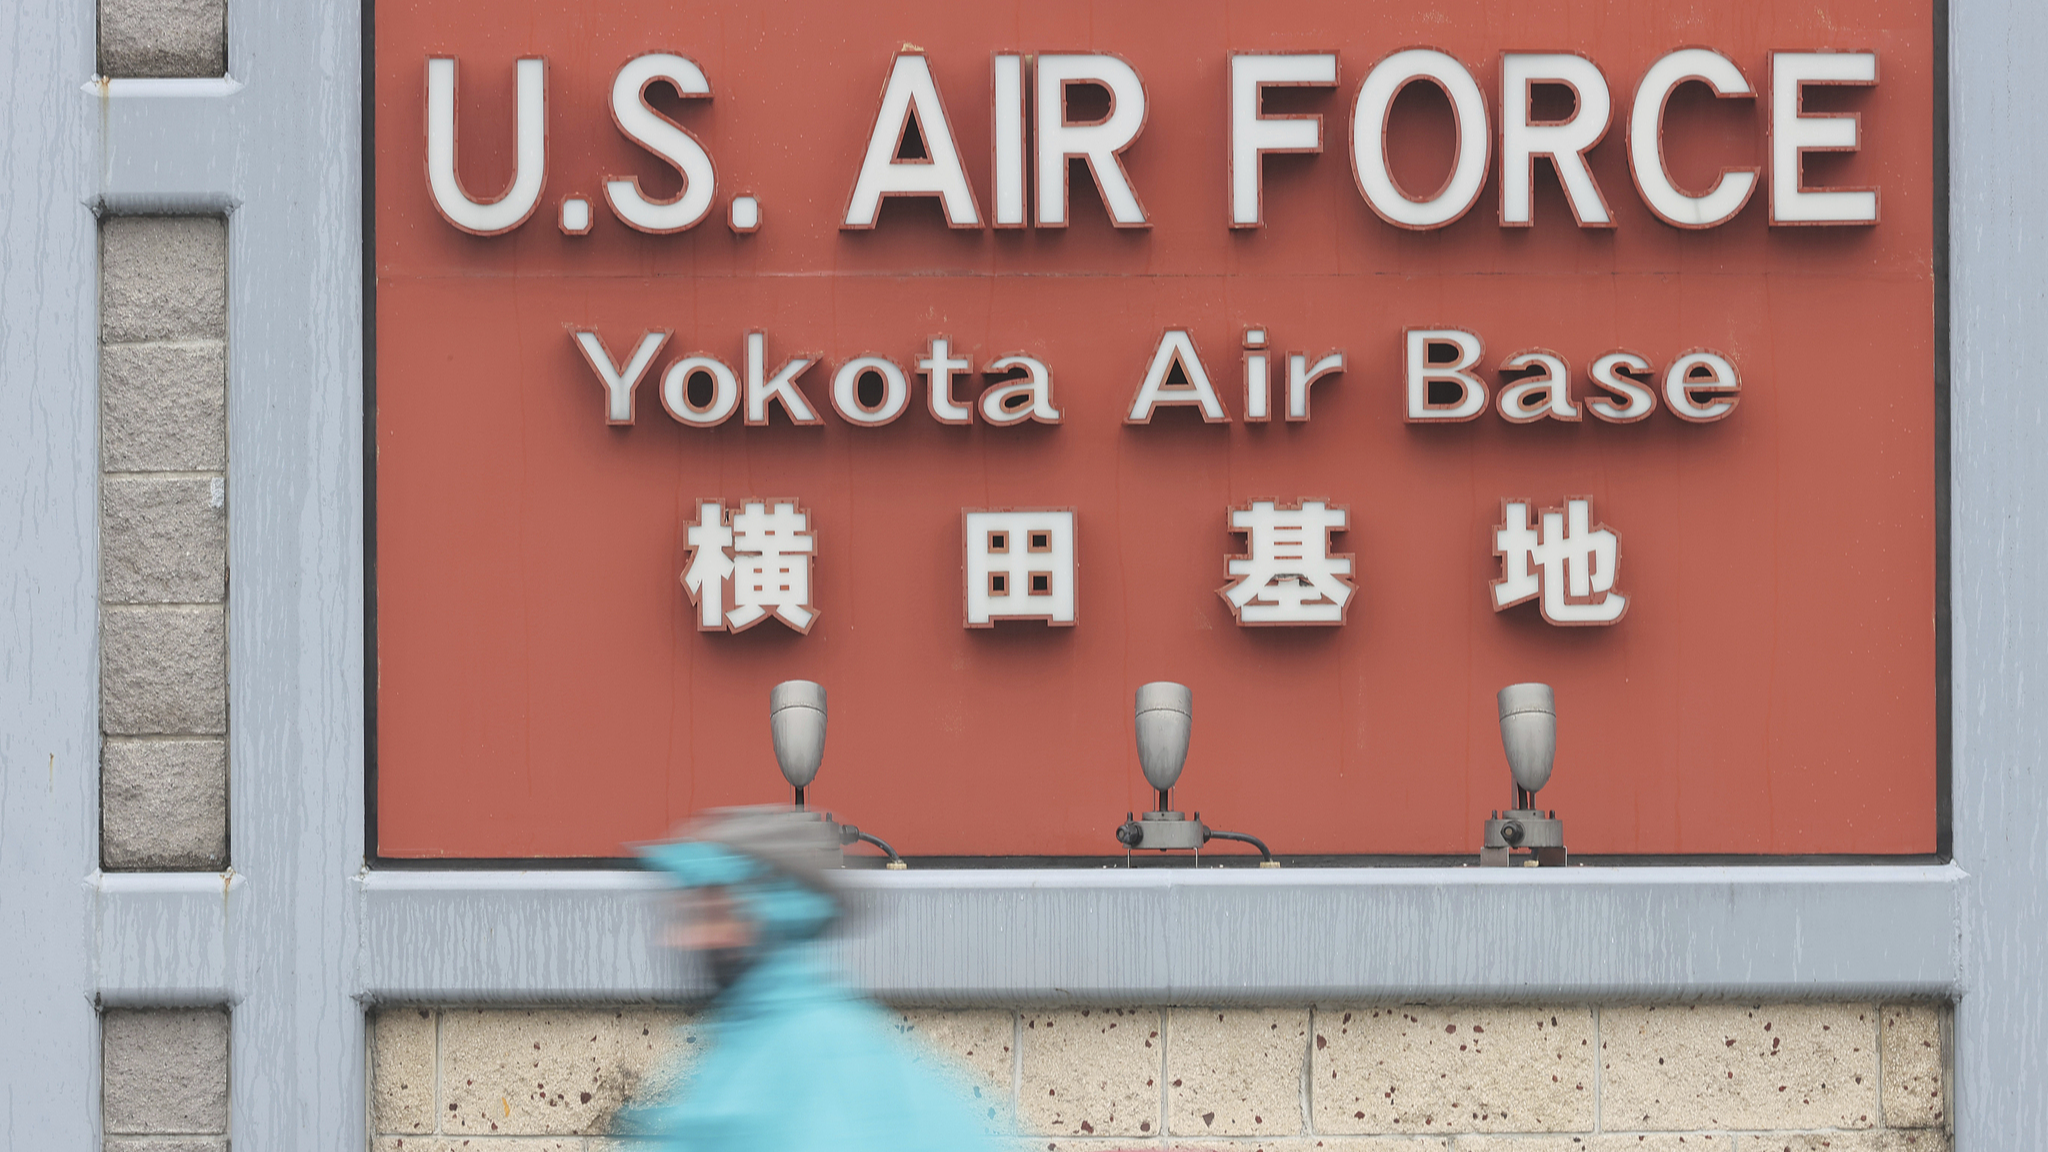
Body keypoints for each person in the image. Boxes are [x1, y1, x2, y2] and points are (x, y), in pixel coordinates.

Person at [613, 807, 1002, 1152]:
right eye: (685, 914)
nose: (679, 940)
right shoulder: (753, 1044)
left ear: (772, 914)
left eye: (711, 914)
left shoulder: (812, 1060)